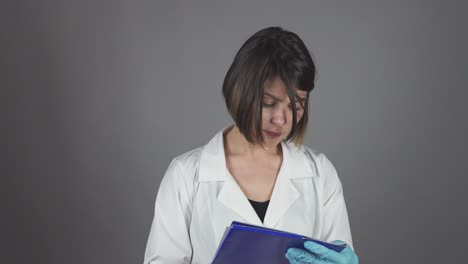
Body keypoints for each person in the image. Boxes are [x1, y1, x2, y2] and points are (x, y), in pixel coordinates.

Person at [143, 27, 359, 264]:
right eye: (268, 103)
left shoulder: (320, 173)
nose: (281, 120)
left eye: (295, 106)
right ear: (239, 92)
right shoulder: (185, 176)